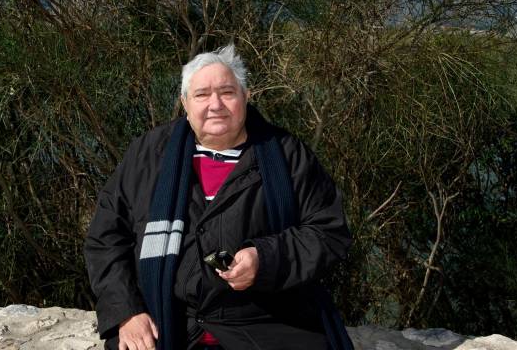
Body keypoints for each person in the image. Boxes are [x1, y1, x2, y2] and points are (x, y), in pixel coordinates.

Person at [84, 45, 352, 350]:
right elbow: (105, 238)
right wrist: (127, 312)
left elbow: (329, 232)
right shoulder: (148, 154)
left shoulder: (288, 154)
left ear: (246, 97)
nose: (216, 105)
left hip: (269, 325)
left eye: (227, 92)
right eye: (201, 95)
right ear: (185, 103)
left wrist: (265, 259)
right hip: (166, 323)